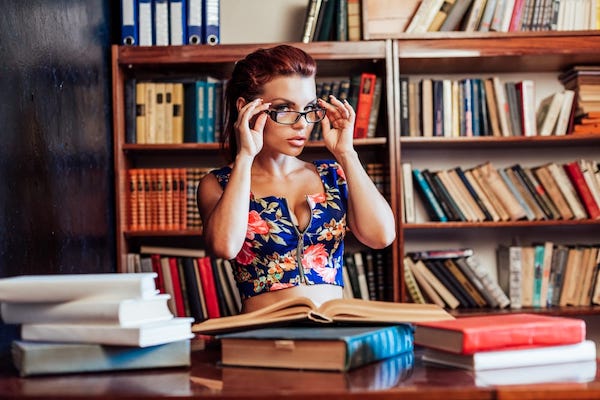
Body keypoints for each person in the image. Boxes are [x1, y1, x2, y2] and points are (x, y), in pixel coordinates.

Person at [197, 44, 395, 313]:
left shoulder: (332, 174)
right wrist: (245, 155)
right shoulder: (218, 183)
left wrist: (346, 153)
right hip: (263, 338)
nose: (302, 123)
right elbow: (225, 246)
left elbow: (381, 236)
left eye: (309, 108)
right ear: (247, 108)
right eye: (284, 108)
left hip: (333, 331)